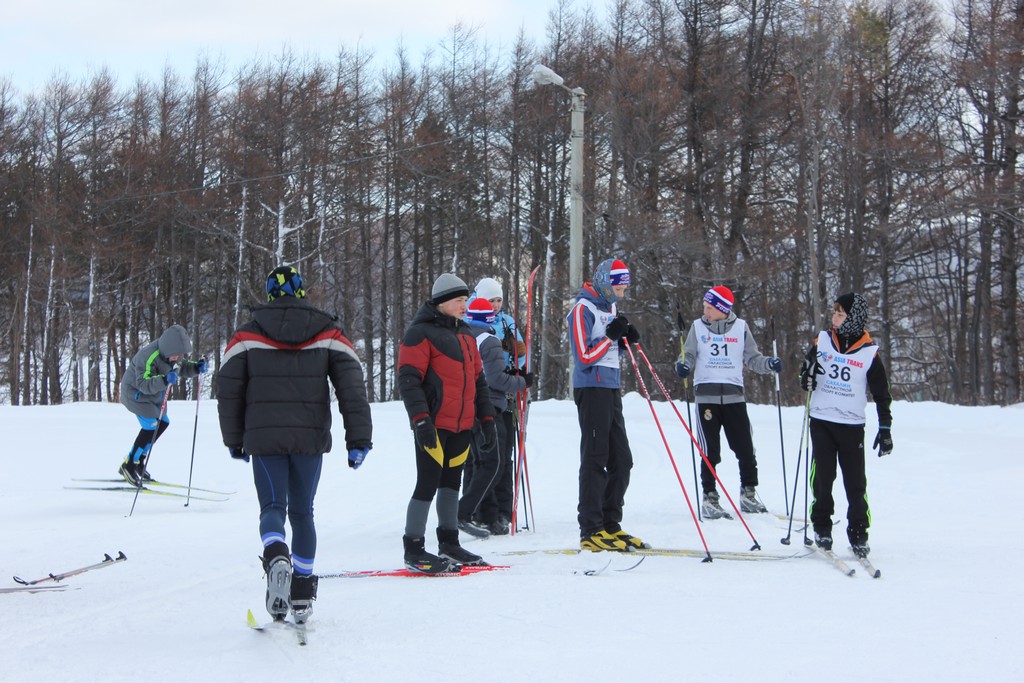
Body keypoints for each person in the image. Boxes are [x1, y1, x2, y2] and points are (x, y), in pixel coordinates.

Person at [217, 266, 373, 624]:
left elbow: (228, 390)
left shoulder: (246, 335)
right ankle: (302, 592)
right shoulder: (328, 331)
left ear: (269, 293)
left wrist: (233, 438)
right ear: (302, 293)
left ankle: (276, 556)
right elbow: (352, 387)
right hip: (309, 437)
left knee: (272, 505)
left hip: (264, 437)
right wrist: (358, 439)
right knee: (303, 513)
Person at [397, 273, 497, 572]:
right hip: (434, 423)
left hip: (462, 425)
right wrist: (420, 420)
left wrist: (487, 419)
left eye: (465, 301)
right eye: (458, 301)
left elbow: (478, 381)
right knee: (427, 482)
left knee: (452, 483)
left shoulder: (466, 334)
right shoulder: (420, 333)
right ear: (442, 302)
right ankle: (413, 547)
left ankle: (449, 542)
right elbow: (408, 380)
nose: (464, 306)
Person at [674, 286, 781, 518]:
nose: (705, 312)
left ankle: (748, 493)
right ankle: (710, 497)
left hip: (734, 398)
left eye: (710, 308)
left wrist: (769, 364)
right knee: (709, 450)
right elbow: (688, 354)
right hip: (707, 398)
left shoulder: (741, 328)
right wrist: (682, 365)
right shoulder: (698, 327)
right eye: (704, 307)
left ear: (723, 309)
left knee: (745, 447)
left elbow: (753, 359)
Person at [799, 292, 892, 558]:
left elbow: (882, 394)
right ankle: (822, 526)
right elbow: (803, 373)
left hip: (851, 425)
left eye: (841, 313)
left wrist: (885, 428)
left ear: (853, 318)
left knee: (855, 482)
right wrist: (807, 380)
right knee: (822, 478)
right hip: (822, 421)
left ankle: (859, 532)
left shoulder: (869, 351)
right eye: (835, 312)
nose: (835, 317)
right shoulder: (823, 341)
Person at [567, 258, 646, 552]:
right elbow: (584, 356)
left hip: (611, 387)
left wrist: (624, 340)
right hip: (591, 388)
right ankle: (590, 529)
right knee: (595, 457)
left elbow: (610, 345)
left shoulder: (610, 308)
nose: (624, 288)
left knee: (622, 459)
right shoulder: (582, 309)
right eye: (619, 283)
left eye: (625, 282)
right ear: (605, 282)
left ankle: (610, 524)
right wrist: (612, 336)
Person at [458, 297, 533, 538]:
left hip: (469, 406)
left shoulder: (464, 336)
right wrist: (522, 381)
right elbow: (496, 380)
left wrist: (508, 372)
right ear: (490, 318)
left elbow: (487, 372)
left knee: (481, 461)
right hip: (490, 405)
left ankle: (484, 516)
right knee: (494, 463)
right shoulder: (489, 341)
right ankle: (465, 512)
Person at [118, 324, 207, 486]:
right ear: (168, 349)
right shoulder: (148, 356)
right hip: (135, 395)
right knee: (151, 427)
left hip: (153, 397)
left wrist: (195, 367)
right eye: (176, 354)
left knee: (163, 423)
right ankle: (129, 464)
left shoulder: (173, 354)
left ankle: (138, 462)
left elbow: (183, 367)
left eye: (181, 354)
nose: (178, 357)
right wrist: (164, 380)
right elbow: (143, 383)